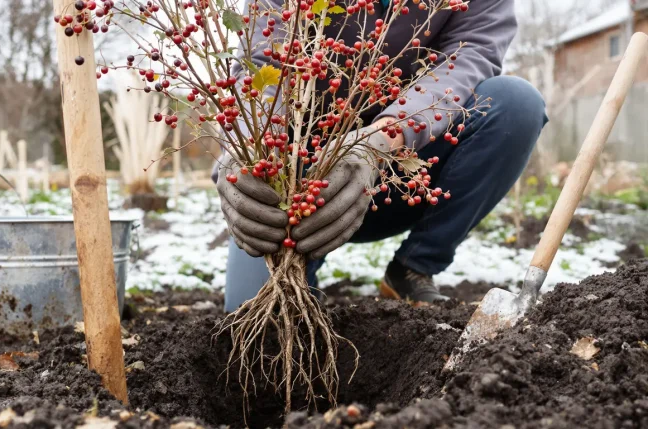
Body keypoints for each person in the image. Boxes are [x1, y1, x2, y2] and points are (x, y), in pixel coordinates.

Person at [213, 0, 548, 312]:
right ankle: (296, 274)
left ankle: (414, 268)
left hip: (403, 174)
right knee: (255, 312)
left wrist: (382, 139)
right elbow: (263, 64)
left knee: (514, 106)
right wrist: (248, 148)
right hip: (296, 183)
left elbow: (471, 54)